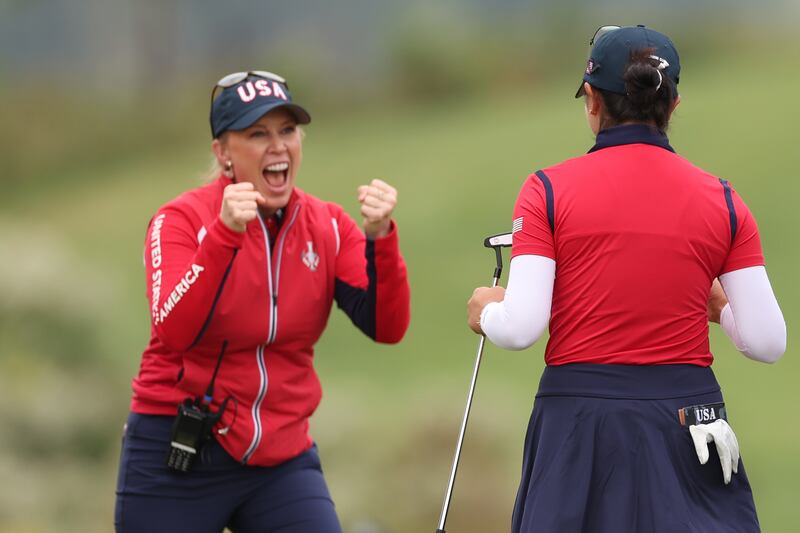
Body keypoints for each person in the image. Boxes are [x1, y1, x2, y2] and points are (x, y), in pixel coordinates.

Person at [467, 25, 786, 533]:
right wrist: (718, 305)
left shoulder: (546, 191)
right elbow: (767, 342)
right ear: (674, 105)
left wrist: (485, 309)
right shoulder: (724, 201)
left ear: (592, 101)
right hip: (691, 423)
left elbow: (522, 327)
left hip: (578, 425)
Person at [114, 70, 411, 533]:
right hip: (178, 451)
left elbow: (387, 326)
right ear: (223, 153)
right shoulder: (180, 220)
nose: (278, 146)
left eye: (287, 131)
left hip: (280, 456)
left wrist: (381, 240)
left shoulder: (327, 225)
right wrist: (224, 236)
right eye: (257, 134)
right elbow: (173, 329)